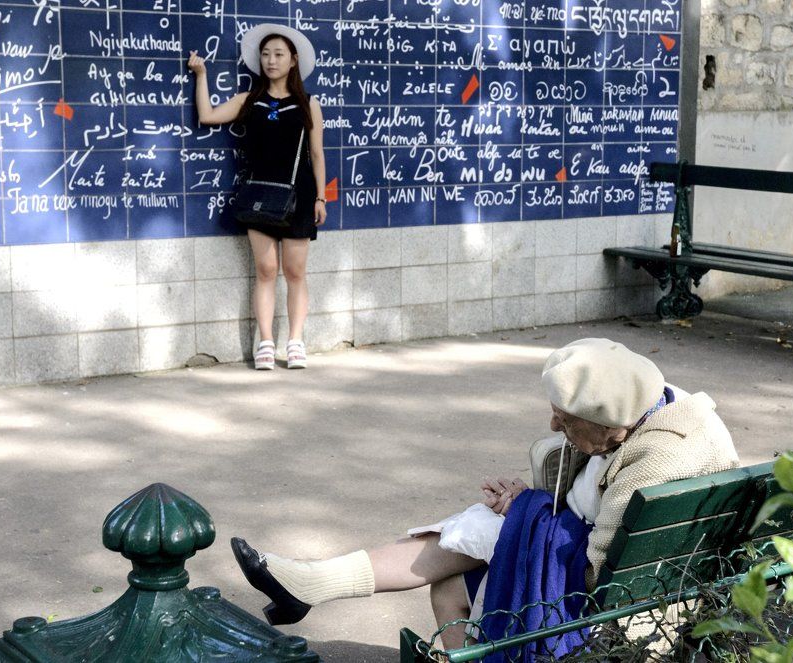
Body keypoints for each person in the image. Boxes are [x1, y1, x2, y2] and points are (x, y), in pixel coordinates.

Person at [230, 338, 740, 652]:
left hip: (627, 606)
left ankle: (315, 583)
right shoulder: (655, 402)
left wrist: (528, 518)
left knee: (471, 548)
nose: (553, 424)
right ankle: (313, 584)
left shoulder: (657, 462)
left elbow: (600, 578)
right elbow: (597, 491)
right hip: (661, 577)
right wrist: (530, 501)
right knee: (468, 554)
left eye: (565, 419)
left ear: (609, 421)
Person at [187, 24, 326, 370]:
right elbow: (207, 116)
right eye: (265, 54)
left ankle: (295, 342)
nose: (271, 60)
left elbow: (317, 154)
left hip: (299, 196)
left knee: (295, 271)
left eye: (278, 54)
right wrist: (201, 75)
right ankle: (265, 342)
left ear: (293, 61)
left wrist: (321, 198)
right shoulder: (249, 100)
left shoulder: (308, 103)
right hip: (258, 196)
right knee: (266, 270)